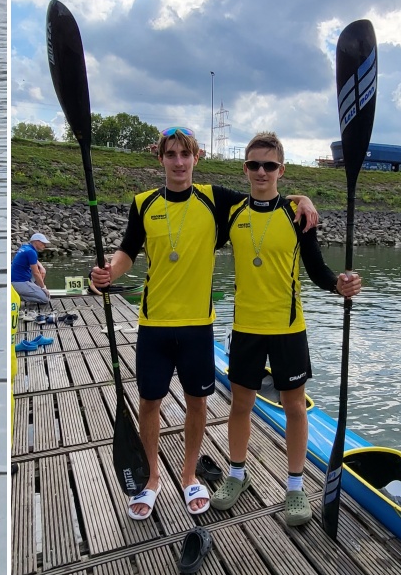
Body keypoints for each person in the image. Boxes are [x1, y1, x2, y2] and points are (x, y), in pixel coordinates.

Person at [90, 127, 318, 520]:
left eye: (185, 154)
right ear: (160, 158)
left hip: (198, 326)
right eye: (171, 155)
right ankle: (150, 478)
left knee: (197, 404)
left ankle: (190, 474)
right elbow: (127, 249)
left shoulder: (215, 200)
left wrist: (304, 198)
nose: (178, 162)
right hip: (154, 323)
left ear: (197, 158)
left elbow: (265, 197)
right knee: (149, 403)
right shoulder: (143, 203)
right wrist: (109, 270)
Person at [209, 131, 361, 526]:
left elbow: (317, 269)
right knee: (241, 405)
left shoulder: (297, 216)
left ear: (282, 169)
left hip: (288, 328)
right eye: (254, 165)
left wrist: (338, 285)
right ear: (245, 169)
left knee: (295, 407)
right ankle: (238, 475)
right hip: (245, 328)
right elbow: (184, 187)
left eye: (270, 165)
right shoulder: (231, 210)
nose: (262, 172)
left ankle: (295, 487)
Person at [11, 233, 52, 306]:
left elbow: (34, 261)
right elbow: (35, 273)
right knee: (45, 299)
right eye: (43, 243)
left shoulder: (25, 247)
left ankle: (33, 290)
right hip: (19, 282)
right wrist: (44, 288)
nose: (45, 245)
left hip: (15, 280)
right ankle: (16, 295)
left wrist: (42, 267)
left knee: (40, 270)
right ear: (36, 241)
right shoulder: (31, 252)